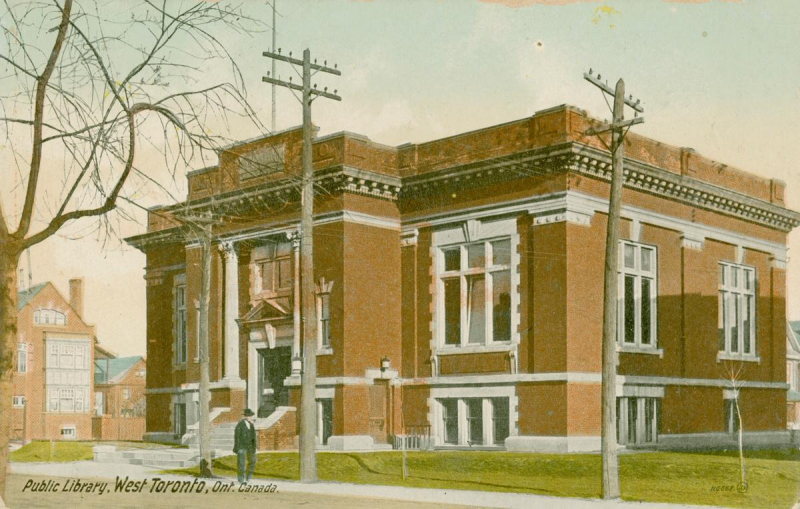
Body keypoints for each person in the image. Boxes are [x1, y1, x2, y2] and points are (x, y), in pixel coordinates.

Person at [234, 408, 257, 484]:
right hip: (242, 446)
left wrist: (254, 447)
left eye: (251, 416)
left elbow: (253, 437)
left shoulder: (251, 425)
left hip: (250, 447)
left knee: (253, 461)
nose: (251, 417)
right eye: (249, 416)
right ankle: (241, 479)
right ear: (245, 417)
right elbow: (237, 437)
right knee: (241, 463)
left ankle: (248, 477)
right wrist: (237, 448)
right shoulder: (240, 425)